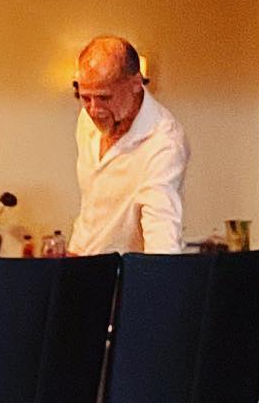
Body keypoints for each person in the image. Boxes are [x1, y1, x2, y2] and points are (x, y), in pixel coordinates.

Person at [69, 34, 190, 255]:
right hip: (83, 267)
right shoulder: (87, 120)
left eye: (105, 98)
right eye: (86, 97)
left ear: (136, 84)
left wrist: (157, 281)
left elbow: (162, 234)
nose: (94, 110)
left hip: (128, 276)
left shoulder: (164, 142)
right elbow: (92, 207)